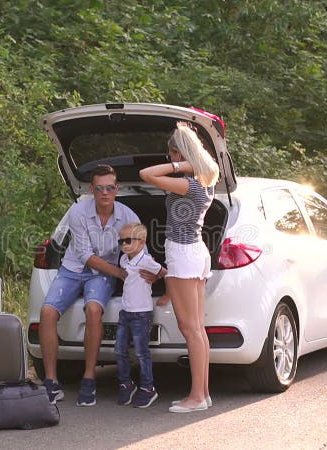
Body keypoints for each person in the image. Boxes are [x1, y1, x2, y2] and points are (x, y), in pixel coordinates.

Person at [39, 164, 140, 407]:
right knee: (47, 312)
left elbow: (138, 250)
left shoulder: (129, 217)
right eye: (99, 188)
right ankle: (51, 382)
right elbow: (84, 255)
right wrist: (119, 273)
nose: (104, 192)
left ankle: (89, 379)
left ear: (117, 189)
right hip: (73, 268)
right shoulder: (78, 212)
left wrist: (144, 273)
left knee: (94, 310)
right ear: (92, 189)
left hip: (100, 275)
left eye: (109, 187)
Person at [139, 121, 219, 413]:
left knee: (191, 328)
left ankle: (197, 398)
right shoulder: (205, 181)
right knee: (197, 329)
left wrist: (178, 165)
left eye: (171, 153)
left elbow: (145, 174)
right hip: (194, 252)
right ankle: (203, 394)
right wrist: (186, 163)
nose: (168, 159)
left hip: (185, 254)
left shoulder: (188, 183)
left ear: (179, 153)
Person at [114, 222, 167, 409]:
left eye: (128, 240)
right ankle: (126, 384)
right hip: (125, 313)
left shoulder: (146, 261)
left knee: (141, 353)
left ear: (142, 242)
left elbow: (165, 273)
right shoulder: (124, 259)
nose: (124, 245)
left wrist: (163, 289)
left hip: (141, 314)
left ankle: (147, 388)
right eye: (121, 241)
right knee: (119, 350)